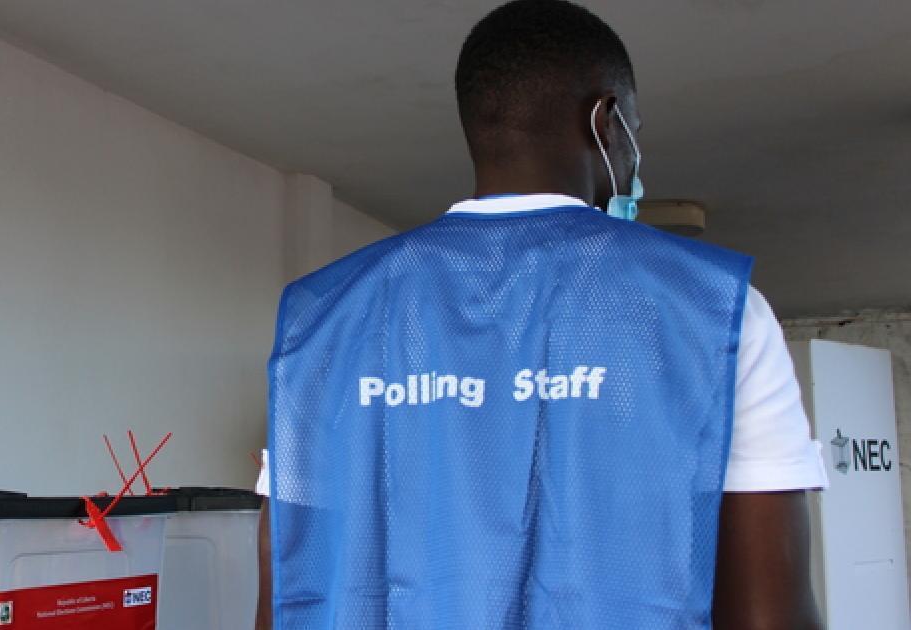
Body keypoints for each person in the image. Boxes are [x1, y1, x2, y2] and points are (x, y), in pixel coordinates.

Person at [256, 1, 827, 628]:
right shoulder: (710, 310)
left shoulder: (326, 323)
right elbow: (771, 615)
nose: (634, 163)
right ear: (605, 120)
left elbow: (291, 590)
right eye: (634, 134)